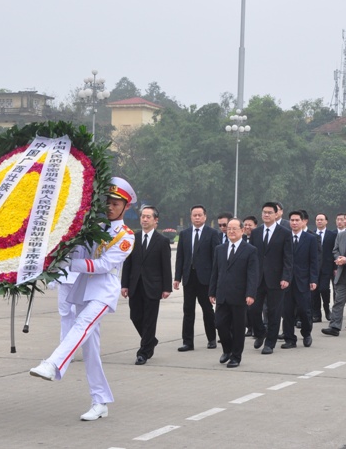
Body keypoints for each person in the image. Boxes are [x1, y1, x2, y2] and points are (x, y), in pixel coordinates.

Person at [29, 177, 136, 422]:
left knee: (81, 325)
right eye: (107, 202)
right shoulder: (91, 225)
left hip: (102, 291)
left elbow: (103, 265)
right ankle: (100, 400)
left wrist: (69, 263)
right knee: (91, 350)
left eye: (116, 203)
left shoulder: (127, 236)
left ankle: (54, 364)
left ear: (126, 207)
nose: (110, 207)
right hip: (82, 289)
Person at [121, 205, 172, 365]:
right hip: (135, 285)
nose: (144, 219)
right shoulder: (132, 238)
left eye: (148, 217)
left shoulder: (162, 241)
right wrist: (124, 285)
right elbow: (127, 264)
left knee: (150, 319)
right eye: (143, 216)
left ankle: (143, 352)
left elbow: (166, 266)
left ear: (155, 220)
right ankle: (151, 340)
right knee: (135, 316)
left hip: (153, 286)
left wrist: (166, 287)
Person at [208, 218, 259, 368]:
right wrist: (212, 291)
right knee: (220, 324)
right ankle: (227, 350)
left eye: (234, 228)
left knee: (238, 328)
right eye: (228, 228)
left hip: (239, 295)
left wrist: (251, 294)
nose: (230, 231)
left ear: (242, 231)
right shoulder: (220, 249)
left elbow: (252, 275)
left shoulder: (250, 250)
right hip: (222, 294)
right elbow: (215, 272)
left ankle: (236, 356)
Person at [248, 202, 293, 355]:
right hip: (257, 279)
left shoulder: (285, 233)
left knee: (274, 312)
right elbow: (252, 257)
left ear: (276, 214)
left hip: (277, 279)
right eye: (264, 212)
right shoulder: (256, 233)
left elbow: (288, 258)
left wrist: (286, 277)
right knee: (253, 309)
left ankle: (270, 343)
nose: (266, 215)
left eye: (269, 212)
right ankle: (260, 332)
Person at [173, 205, 219, 351]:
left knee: (207, 309)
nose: (197, 218)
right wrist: (177, 277)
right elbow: (180, 257)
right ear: (191, 217)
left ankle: (212, 339)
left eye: (200, 215)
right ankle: (188, 342)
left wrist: (215, 280)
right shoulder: (185, 234)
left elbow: (216, 258)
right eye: (194, 215)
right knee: (188, 310)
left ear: (205, 217)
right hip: (189, 277)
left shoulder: (212, 233)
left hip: (205, 278)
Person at [280, 211, 319, 348]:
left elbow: (314, 261)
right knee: (287, 311)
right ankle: (289, 339)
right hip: (286, 281)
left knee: (304, 310)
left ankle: (306, 333)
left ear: (303, 222)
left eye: (297, 220)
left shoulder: (310, 239)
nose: (294, 223)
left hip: (304, 280)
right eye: (292, 220)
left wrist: (313, 279)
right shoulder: (284, 237)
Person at [312, 213, 336, 322]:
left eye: (321, 219)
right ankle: (316, 314)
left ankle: (327, 308)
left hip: (327, 267)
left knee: (324, 289)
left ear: (326, 221)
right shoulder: (311, 234)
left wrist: (335, 267)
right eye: (317, 220)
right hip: (314, 268)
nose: (319, 221)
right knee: (314, 291)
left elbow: (335, 251)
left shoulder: (332, 235)